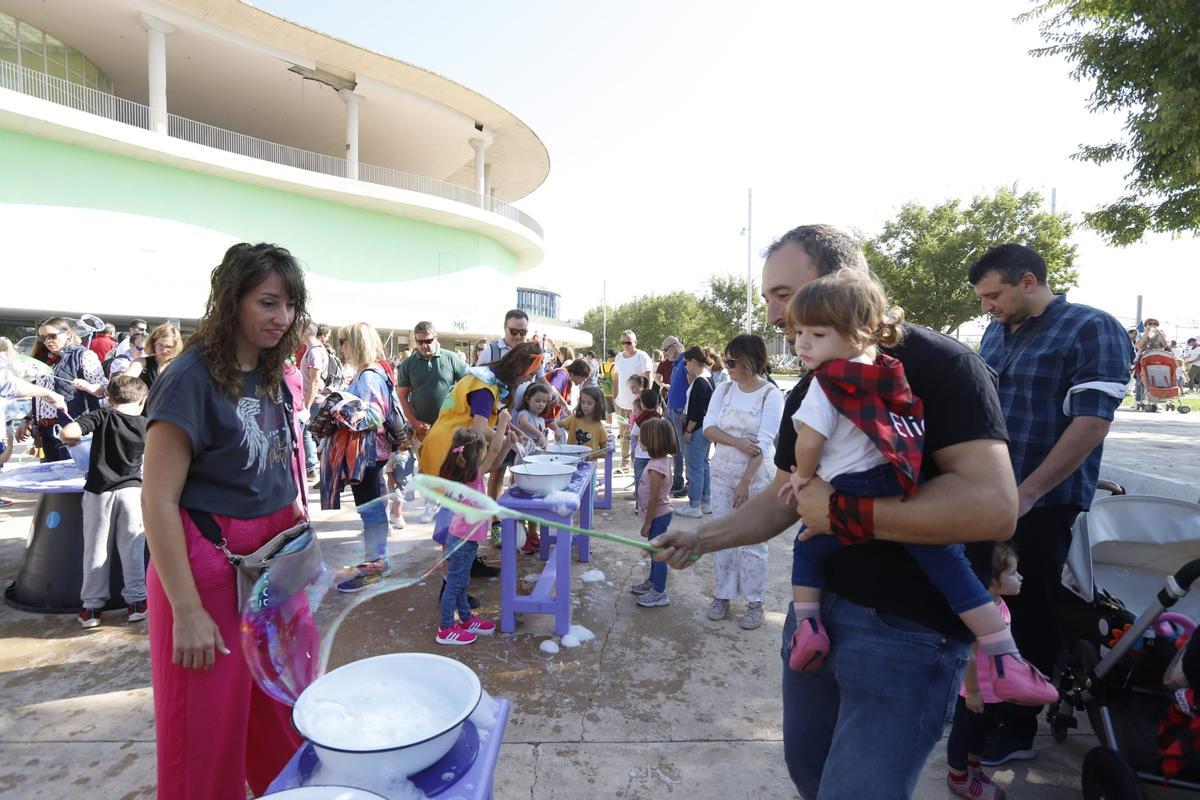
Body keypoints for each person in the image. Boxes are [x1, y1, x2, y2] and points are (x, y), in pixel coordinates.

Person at [652, 223, 1018, 799]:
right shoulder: (814, 381)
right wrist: (700, 537)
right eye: (769, 299)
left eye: (783, 294)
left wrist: (846, 513)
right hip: (817, 617)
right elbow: (782, 499)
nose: (774, 316)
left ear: (842, 281)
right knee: (811, 776)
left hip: (908, 634)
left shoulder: (942, 364)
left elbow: (992, 506)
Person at [778, 270, 1052, 705]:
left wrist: (803, 476)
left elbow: (809, 441)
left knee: (809, 548)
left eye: (817, 334)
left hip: (853, 488)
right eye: (798, 334)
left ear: (859, 331)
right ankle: (1006, 656)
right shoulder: (886, 371)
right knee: (951, 567)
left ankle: (809, 628)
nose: (802, 345)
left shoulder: (827, 383)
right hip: (901, 480)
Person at [142, 242, 308, 799]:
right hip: (208, 568)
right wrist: (186, 611)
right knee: (204, 741)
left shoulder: (270, 367)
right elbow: (157, 499)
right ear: (232, 301)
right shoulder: (189, 378)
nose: (281, 317)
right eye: (267, 302)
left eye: (289, 304)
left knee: (282, 720)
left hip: (273, 560)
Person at [970, 243, 1132, 766]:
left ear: (1029, 281)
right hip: (987, 495)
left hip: (1039, 503)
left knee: (1029, 612)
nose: (987, 306)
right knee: (983, 603)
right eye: (982, 298)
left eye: (994, 295)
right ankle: (982, 699)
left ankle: (1018, 727)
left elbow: (1092, 422)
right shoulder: (996, 330)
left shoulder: (1091, 327)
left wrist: (1030, 492)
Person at [702, 334, 783, 630]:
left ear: (751, 361)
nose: (728, 366)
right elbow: (708, 428)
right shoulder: (723, 389)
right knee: (722, 535)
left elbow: (764, 442)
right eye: (726, 360)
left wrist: (745, 482)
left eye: (732, 361)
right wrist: (737, 442)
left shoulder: (771, 395)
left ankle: (754, 602)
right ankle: (722, 595)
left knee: (753, 540)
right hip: (722, 473)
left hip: (756, 478)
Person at [59, 375, 149, 629]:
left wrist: (69, 438)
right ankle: (137, 603)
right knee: (132, 548)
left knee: (96, 549)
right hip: (133, 492)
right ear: (143, 401)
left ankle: (92, 607)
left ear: (109, 400)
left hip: (99, 492)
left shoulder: (102, 415)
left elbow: (68, 432)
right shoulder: (147, 424)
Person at [323, 322, 396, 593]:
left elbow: (374, 416)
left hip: (367, 454)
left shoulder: (368, 376)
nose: (341, 347)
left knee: (371, 513)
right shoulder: (374, 372)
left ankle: (374, 569)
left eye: (343, 341)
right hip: (371, 453)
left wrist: (339, 410)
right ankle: (377, 563)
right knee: (374, 511)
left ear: (355, 343)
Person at [946, 542, 1022, 800]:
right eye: (1013, 573)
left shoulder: (1000, 604)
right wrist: (973, 692)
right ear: (993, 581)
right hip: (974, 690)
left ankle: (972, 768)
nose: (1020, 577)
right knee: (964, 733)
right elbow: (970, 656)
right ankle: (958, 777)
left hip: (991, 688)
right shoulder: (981, 611)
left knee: (981, 732)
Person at [435, 425, 514, 645]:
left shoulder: (464, 472)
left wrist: (508, 444)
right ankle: (445, 628)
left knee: (461, 582)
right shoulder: (471, 475)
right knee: (454, 585)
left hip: (463, 540)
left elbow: (495, 460)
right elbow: (494, 451)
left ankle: (466, 619)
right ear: (475, 454)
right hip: (462, 540)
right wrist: (503, 421)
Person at [395, 321, 468, 517]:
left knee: (450, 465)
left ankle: (449, 507)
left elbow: (466, 387)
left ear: (436, 338)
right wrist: (414, 422)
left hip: (449, 427)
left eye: (428, 341)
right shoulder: (408, 364)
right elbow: (402, 396)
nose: (424, 345)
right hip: (423, 428)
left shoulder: (451, 359)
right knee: (426, 467)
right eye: (420, 342)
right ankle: (430, 505)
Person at [32, 316, 107, 462]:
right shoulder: (42, 359)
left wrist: (88, 386)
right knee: (49, 473)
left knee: (71, 472)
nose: (47, 341)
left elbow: (104, 389)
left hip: (73, 427)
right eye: (43, 338)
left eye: (52, 336)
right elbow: (38, 395)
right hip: (45, 430)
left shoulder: (83, 355)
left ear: (67, 333)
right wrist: (28, 419)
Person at [629, 417, 677, 608]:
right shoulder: (657, 461)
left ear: (652, 440)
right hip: (657, 515)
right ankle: (653, 582)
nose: (640, 440)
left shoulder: (657, 467)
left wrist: (647, 523)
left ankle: (660, 592)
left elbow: (654, 499)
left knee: (658, 555)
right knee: (654, 552)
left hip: (658, 516)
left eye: (643, 437)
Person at [676, 346, 713, 518]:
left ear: (693, 361)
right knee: (703, 465)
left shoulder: (700, 382)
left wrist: (689, 430)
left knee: (694, 468)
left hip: (697, 429)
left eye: (686, 363)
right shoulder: (707, 378)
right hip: (704, 429)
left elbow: (698, 410)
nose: (685, 367)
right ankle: (705, 501)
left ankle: (694, 504)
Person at [613, 331, 653, 470]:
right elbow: (616, 378)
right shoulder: (618, 357)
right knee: (623, 434)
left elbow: (648, 377)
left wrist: (645, 400)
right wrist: (614, 397)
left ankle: (639, 462)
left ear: (635, 342)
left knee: (639, 434)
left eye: (628, 342)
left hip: (639, 404)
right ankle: (625, 461)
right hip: (621, 403)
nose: (625, 345)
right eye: (623, 342)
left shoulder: (642, 356)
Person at [298, 324, 330, 479]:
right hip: (314, 400)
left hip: (314, 401)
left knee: (316, 437)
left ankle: (318, 469)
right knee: (308, 434)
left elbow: (315, 381)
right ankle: (312, 468)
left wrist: (307, 406)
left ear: (305, 331)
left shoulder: (315, 351)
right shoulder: (315, 349)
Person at [661, 336, 689, 497]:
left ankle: (690, 483)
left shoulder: (685, 362)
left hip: (679, 411)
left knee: (684, 449)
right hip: (672, 410)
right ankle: (678, 480)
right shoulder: (676, 364)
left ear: (673, 346)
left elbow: (692, 386)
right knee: (675, 449)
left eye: (665, 350)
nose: (665, 355)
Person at [124, 323, 182, 392]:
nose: (164, 350)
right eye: (160, 345)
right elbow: (124, 381)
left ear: (176, 347)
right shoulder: (141, 362)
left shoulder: (181, 365)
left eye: (169, 346)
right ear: (153, 344)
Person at [631, 388, 662, 511]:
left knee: (640, 480)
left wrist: (633, 449)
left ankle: (640, 505)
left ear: (642, 404)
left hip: (641, 456)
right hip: (656, 455)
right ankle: (655, 504)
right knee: (656, 481)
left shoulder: (639, 420)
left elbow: (634, 436)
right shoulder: (661, 419)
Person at [563, 385, 608, 452]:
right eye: (583, 402)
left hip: (589, 459)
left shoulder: (600, 428)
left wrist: (591, 456)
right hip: (570, 458)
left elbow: (604, 451)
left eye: (589, 403)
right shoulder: (573, 419)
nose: (585, 406)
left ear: (598, 405)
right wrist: (556, 429)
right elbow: (556, 424)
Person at [516, 383, 552, 449]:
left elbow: (544, 437)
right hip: (525, 452)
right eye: (538, 401)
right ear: (527, 399)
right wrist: (540, 434)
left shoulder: (541, 420)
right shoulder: (524, 413)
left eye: (544, 402)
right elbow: (524, 423)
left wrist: (545, 442)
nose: (541, 404)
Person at [600, 348, 617, 419]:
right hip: (614, 391)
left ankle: (609, 424)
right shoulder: (615, 365)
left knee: (608, 411)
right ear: (614, 356)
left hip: (606, 390)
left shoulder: (602, 365)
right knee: (617, 412)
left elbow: (602, 375)